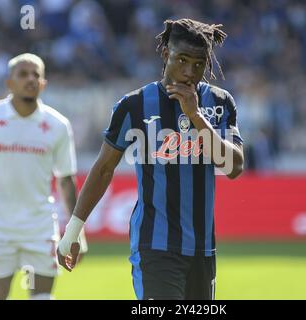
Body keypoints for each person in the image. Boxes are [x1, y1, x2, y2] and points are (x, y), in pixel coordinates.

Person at [57, 18, 244, 300]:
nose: (189, 72)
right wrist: (73, 230)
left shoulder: (219, 103)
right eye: (182, 60)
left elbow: (233, 167)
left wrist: (195, 116)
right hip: (154, 246)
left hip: (203, 250)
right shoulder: (133, 105)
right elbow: (104, 168)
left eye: (198, 64)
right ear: (166, 53)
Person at [0, 53, 87, 300]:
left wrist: (76, 232)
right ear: (9, 82)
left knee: (41, 298)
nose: (30, 79)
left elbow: (66, 178)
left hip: (40, 227)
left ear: (43, 83)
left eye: (36, 74)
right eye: (23, 74)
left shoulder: (57, 124)